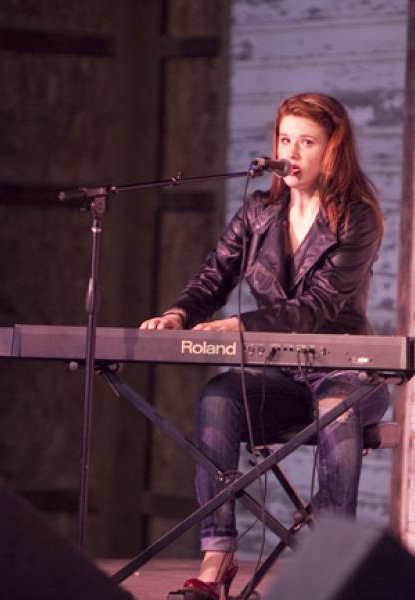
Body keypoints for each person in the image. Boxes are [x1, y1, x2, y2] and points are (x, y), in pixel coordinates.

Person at [140, 92, 390, 600]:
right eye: (284, 139)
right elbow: (215, 275)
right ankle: (217, 556)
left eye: (306, 142)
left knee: (337, 410)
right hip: (281, 377)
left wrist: (241, 326)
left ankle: (333, 566)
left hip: (344, 373)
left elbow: (318, 308)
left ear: (332, 150)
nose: (291, 153)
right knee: (219, 396)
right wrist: (179, 314)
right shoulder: (259, 212)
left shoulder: (357, 218)